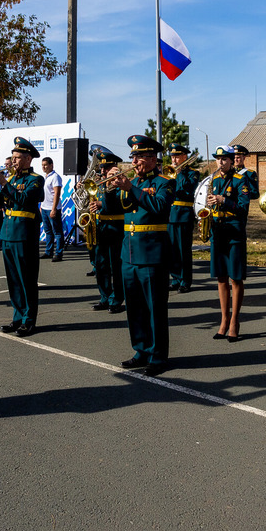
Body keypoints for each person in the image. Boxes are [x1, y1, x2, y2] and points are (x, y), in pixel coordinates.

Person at [111, 134, 173, 376]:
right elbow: (116, 208)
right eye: (133, 157)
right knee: (135, 307)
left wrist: (131, 188)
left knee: (154, 308)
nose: (134, 162)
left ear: (151, 158)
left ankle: (158, 356)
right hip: (129, 253)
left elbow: (158, 207)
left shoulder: (164, 182)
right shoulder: (132, 183)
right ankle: (141, 350)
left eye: (138, 157)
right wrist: (108, 188)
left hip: (152, 254)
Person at [0, 138, 44, 336]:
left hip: (24, 234)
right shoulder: (11, 179)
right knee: (13, 280)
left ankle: (29, 320)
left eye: (17, 158)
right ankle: (17, 317)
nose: (13, 161)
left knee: (27, 279)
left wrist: (4, 183)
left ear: (28, 159)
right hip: (8, 232)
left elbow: (23, 200)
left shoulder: (35, 180)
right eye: (12, 157)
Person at [208, 146, 252, 342]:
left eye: (224, 159)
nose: (221, 162)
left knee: (236, 278)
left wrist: (223, 200)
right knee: (221, 277)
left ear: (232, 160)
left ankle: (234, 321)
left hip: (234, 233)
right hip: (218, 232)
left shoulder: (241, 180)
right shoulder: (213, 180)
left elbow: (243, 208)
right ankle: (223, 320)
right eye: (218, 159)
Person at [88, 151, 126, 313]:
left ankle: (116, 299)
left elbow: (119, 203)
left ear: (114, 167)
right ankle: (104, 296)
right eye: (101, 167)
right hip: (101, 227)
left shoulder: (119, 182)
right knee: (101, 264)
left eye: (106, 167)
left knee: (115, 266)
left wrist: (101, 203)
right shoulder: (100, 182)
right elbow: (91, 199)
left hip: (117, 226)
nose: (102, 171)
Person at [166, 143, 200, 294]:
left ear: (184, 157)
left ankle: (185, 281)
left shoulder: (192, 173)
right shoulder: (167, 172)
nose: (174, 159)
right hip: (170, 214)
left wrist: (179, 173)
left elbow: (188, 190)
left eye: (177, 156)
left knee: (183, 250)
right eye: (172, 156)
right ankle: (175, 278)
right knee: (172, 249)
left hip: (184, 214)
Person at [39, 157, 64, 261]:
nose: (44, 167)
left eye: (46, 165)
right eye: (42, 165)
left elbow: (57, 194)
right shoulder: (45, 177)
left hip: (53, 209)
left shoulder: (55, 177)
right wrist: (41, 206)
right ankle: (48, 252)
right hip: (44, 208)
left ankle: (58, 253)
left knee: (57, 232)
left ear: (51, 165)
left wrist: (54, 209)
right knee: (48, 231)